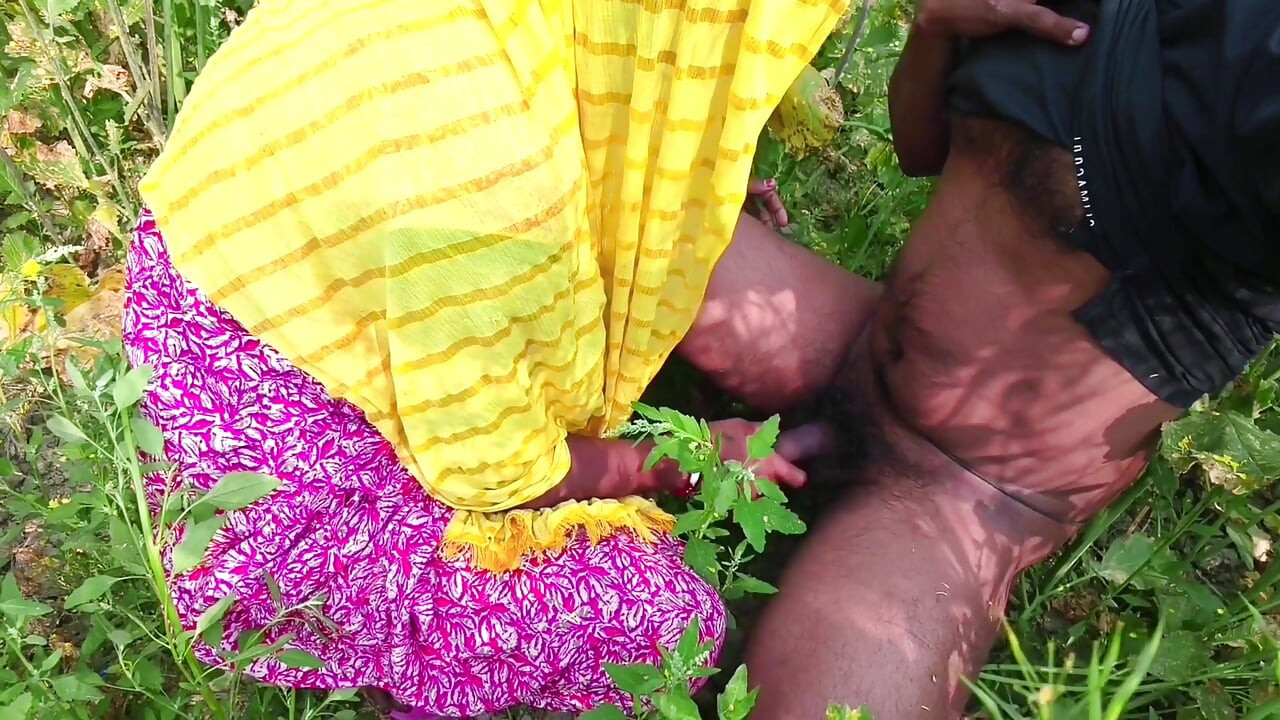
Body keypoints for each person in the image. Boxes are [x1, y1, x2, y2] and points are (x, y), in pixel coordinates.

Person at [122, 0, 871, 715]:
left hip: (213, 331)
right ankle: (425, 683)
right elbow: (509, 480)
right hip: (264, 521)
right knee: (667, 627)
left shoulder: (491, 48)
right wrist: (681, 458)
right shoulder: (491, 190)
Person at [741, 0, 1280, 716]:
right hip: (851, 341)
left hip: (958, 492)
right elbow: (921, 148)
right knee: (581, 222)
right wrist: (937, 27)